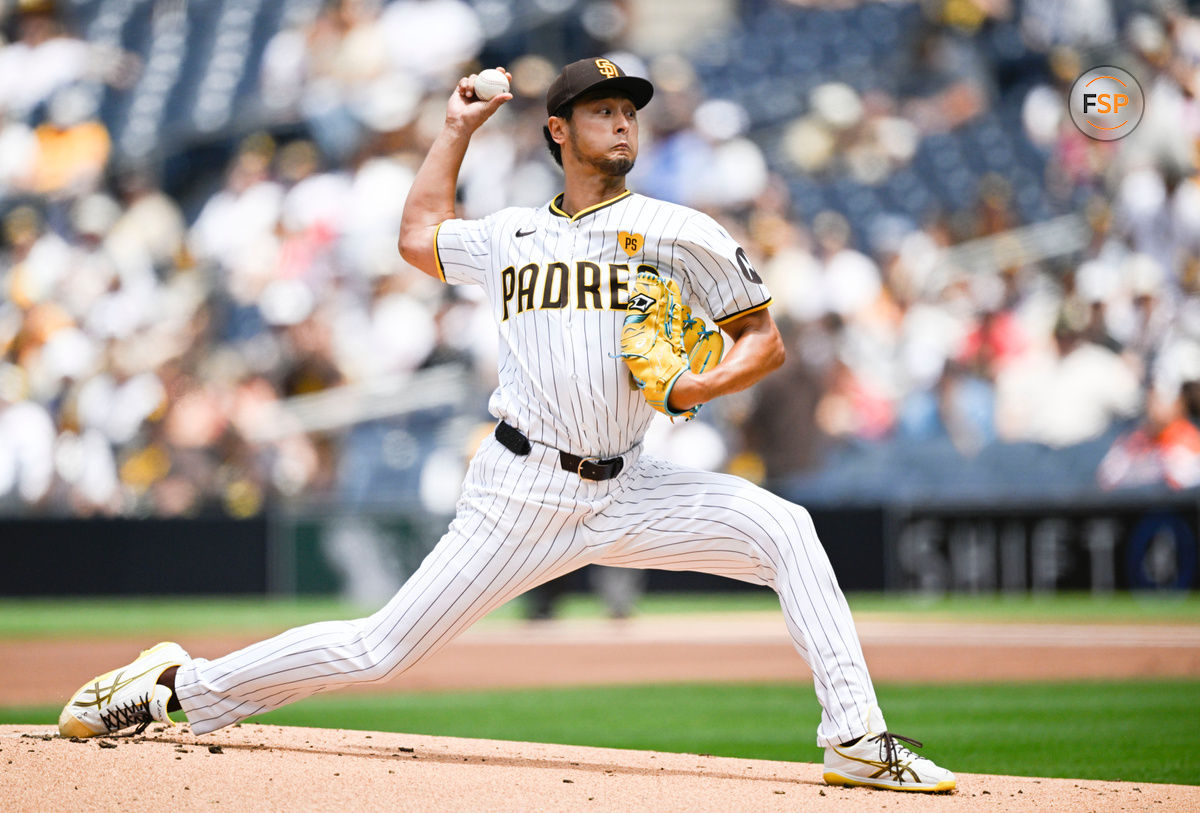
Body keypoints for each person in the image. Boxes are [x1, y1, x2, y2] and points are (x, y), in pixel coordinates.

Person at [58, 58, 955, 793]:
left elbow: (763, 343)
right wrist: (455, 127)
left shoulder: (681, 230)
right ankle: (180, 683)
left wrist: (692, 389)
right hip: (519, 490)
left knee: (785, 528)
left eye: (629, 111)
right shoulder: (513, 234)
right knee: (378, 649)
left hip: (632, 484)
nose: (622, 125)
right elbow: (418, 237)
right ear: (559, 130)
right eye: (601, 111)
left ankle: (856, 741)